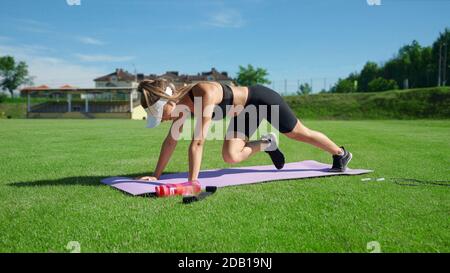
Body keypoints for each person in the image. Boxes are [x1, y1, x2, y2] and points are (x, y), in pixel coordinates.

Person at [135, 78, 352, 182]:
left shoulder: (202, 92)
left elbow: (198, 142)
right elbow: (171, 141)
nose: (162, 120)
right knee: (230, 156)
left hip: (261, 99)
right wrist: (156, 176)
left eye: (161, 114)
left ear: (167, 102)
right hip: (243, 113)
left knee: (297, 133)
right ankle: (268, 144)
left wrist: (192, 183)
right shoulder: (180, 108)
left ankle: (340, 154)